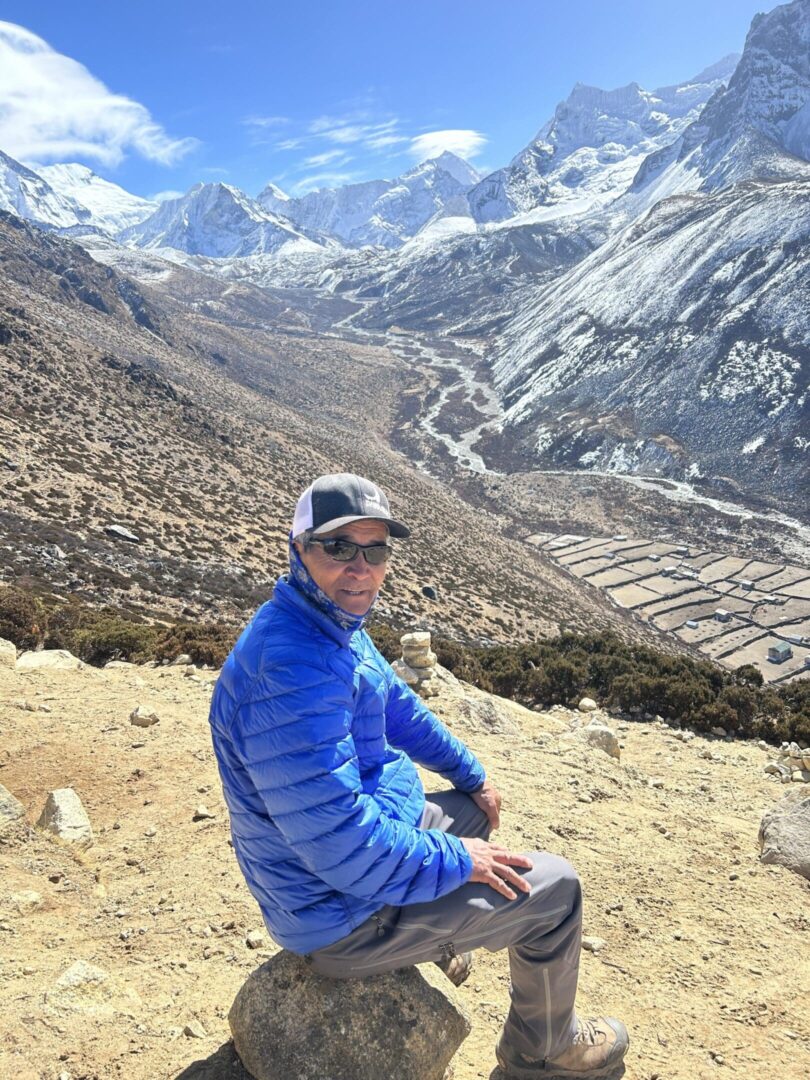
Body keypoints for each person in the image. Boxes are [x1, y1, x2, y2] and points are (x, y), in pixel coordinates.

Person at [209, 472, 629, 1079]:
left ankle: (446, 936)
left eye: (375, 548)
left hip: (340, 868)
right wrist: (459, 861)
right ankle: (543, 1055)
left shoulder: (324, 626)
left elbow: (395, 706)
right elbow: (343, 846)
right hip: (342, 914)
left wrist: (473, 775)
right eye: (339, 547)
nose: (360, 567)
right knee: (557, 891)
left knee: (473, 811)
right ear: (298, 549)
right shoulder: (291, 675)